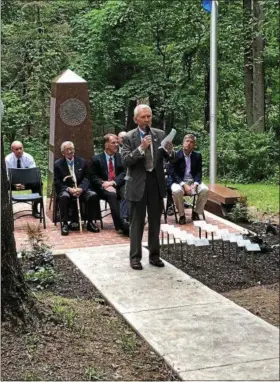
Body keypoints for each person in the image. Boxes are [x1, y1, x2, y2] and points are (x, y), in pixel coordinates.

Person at [121, 104, 175, 270]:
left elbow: (168, 158)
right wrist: (141, 148)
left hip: (155, 183)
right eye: (143, 117)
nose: (146, 120)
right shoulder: (129, 137)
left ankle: (154, 255)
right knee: (136, 223)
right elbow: (125, 161)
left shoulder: (159, 134)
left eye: (149, 116)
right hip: (137, 184)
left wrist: (170, 151)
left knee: (155, 222)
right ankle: (135, 258)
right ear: (135, 119)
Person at [54, 141, 100, 236]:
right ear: (63, 153)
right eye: (68, 149)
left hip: (80, 189)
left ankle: (90, 222)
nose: (71, 151)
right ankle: (65, 224)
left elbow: (87, 178)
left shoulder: (82, 162)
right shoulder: (58, 164)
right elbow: (57, 182)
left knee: (93, 196)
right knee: (64, 197)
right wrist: (69, 189)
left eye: (72, 149)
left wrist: (81, 188)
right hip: (67, 190)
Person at [89, 134, 129, 235]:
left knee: (126, 192)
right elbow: (94, 177)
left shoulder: (121, 157)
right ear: (106, 145)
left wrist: (113, 182)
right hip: (103, 187)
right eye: (113, 143)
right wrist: (105, 184)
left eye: (117, 142)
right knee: (112, 195)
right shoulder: (96, 159)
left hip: (117, 184)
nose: (116, 145)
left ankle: (125, 220)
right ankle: (120, 226)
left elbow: (124, 173)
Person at [168, 134, 209, 224]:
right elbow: (172, 173)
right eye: (187, 141)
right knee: (176, 191)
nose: (189, 143)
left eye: (191, 142)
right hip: (178, 181)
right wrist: (183, 184)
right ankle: (182, 215)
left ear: (194, 145)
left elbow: (199, 172)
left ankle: (196, 212)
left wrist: (196, 183)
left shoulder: (197, 156)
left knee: (205, 189)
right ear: (183, 143)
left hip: (193, 181)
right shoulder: (175, 155)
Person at [5, 140, 40, 218]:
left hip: (27, 183)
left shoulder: (29, 157)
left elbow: (33, 173)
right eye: (16, 149)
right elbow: (6, 174)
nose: (19, 151)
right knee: (3, 184)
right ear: (12, 150)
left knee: (38, 183)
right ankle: (7, 210)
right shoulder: (7, 159)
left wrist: (25, 182)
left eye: (21, 148)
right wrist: (14, 183)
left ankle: (35, 209)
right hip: (13, 184)